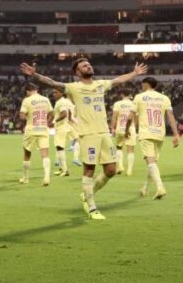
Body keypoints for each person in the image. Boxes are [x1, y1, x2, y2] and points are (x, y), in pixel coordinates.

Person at [21, 57, 148, 221]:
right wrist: (35, 75)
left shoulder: (100, 84)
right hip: (87, 134)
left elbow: (117, 80)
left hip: (104, 133)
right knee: (89, 170)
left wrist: (135, 73)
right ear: (77, 72)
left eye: (89, 64)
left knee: (111, 170)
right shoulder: (74, 88)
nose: (88, 66)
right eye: (84, 66)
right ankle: (92, 207)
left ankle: (87, 194)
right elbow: (53, 83)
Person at [129, 77, 181, 199]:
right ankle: (146, 187)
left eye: (142, 84)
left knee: (150, 162)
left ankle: (160, 188)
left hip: (146, 133)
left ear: (145, 84)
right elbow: (170, 116)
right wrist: (175, 134)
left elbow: (130, 117)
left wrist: (127, 130)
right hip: (159, 133)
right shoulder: (164, 98)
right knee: (153, 163)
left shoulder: (139, 97)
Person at [18, 83, 53, 186]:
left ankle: (25, 178)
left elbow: (22, 116)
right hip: (43, 128)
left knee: (27, 153)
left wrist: (28, 117)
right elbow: (52, 114)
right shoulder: (45, 99)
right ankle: (46, 177)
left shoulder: (27, 100)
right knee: (45, 154)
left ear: (28, 91)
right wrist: (47, 122)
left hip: (31, 129)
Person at [111, 92, 137, 176]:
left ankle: (120, 166)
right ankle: (129, 170)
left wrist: (112, 128)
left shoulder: (117, 104)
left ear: (121, 95)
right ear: (130, 95)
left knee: (119, 147)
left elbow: (114, 117)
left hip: (120, 128)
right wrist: (136, 128)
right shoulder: (134, 104)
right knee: (130, 150)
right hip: (130, 129)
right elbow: (136, 118)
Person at [51, 89, 76, 176]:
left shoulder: (61, 102)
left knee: (59, 148)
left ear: (61, 93)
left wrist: (54, 121)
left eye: (56, 92)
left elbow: (64, 114)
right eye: (53, 92)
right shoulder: (62, 101)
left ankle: (65, 170)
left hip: (61, 128)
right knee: (59, 148)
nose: (54, 94)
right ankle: (62, 168)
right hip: (65, 126)